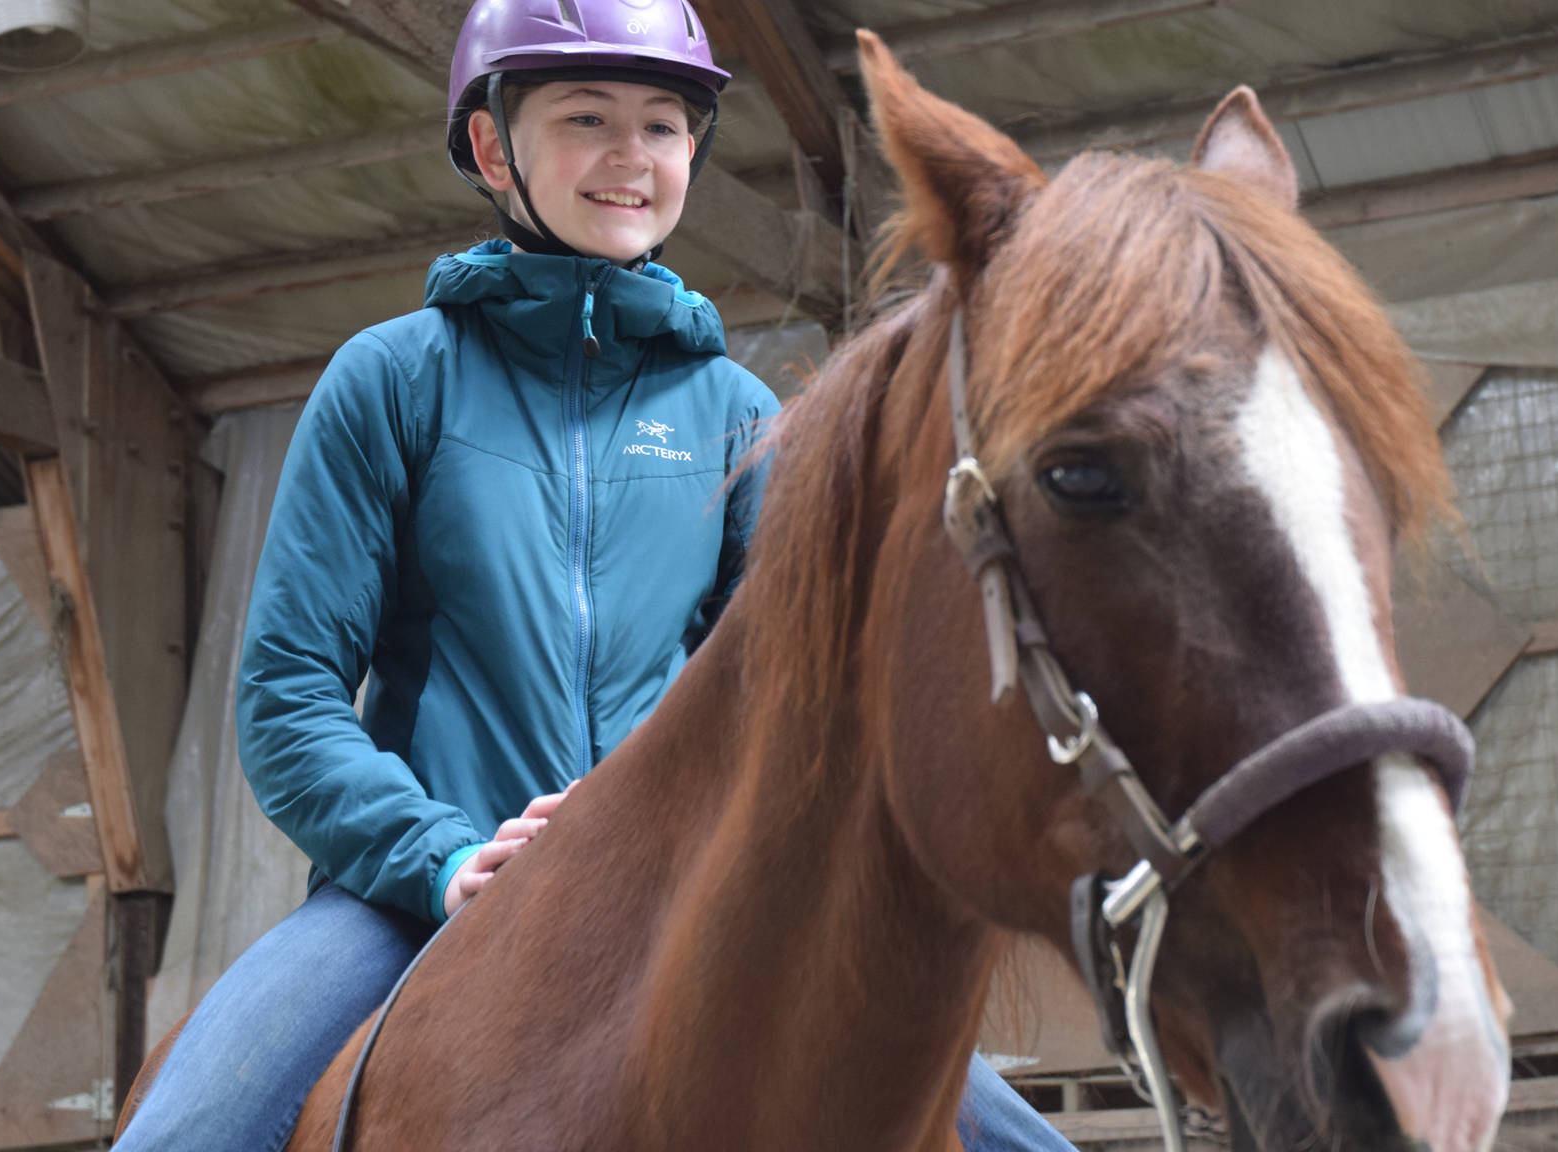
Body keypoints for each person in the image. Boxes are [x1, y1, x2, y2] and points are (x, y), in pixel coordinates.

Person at [113, 2, 1077, 1149]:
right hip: (409, 894)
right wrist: (440, 856)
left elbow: (799, 708)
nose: (632, 158)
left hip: (684, 901)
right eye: (585, 117)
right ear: (490, 147)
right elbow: (287, 696)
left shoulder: (738, 421)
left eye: (664, 126)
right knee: (184, 1130)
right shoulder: (391, 381)